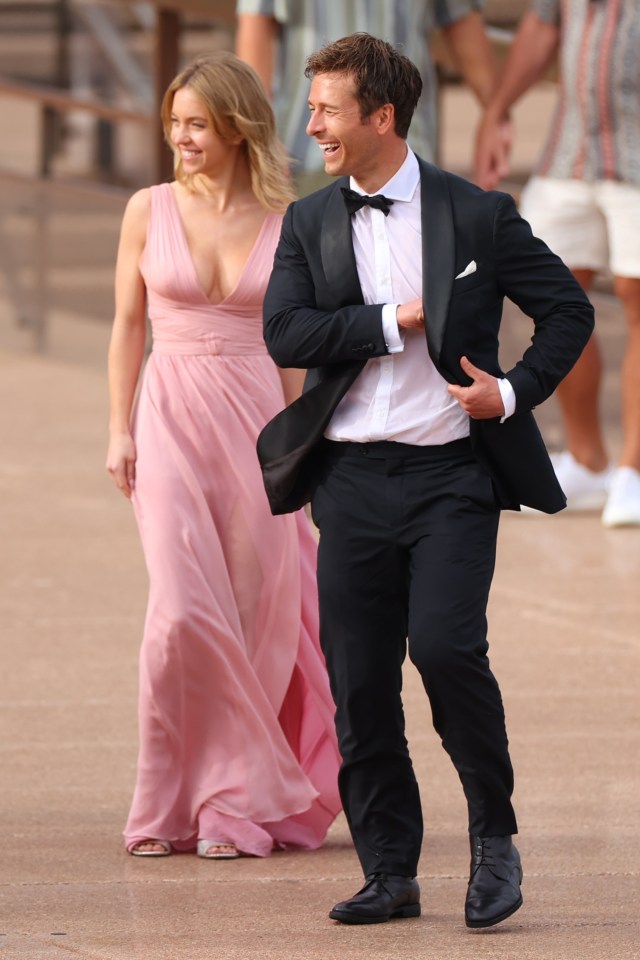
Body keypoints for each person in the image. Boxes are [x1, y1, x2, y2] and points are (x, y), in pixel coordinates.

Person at [256, 33, 594, 927]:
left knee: (446, 652)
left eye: (327, 109)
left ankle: (495, 841)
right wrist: (387, 320)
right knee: (360, 682)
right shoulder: (309, 220)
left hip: (452, 478)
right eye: (312, 106)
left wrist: (513, 393)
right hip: (351, 481)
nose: (311, 124)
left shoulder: (477, 214)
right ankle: (390, 869)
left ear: (382, 115)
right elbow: (287, 334)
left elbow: (567, 307)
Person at [105, 52, 341, 860]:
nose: (182, 137)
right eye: (175, 123)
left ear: (237, 128)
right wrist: (119, 427)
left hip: (255, 422)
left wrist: (302, 448)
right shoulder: (147, 207)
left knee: (255, 615)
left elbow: (293, 352)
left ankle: (229, 805)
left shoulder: (289, 219)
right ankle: (170, 796)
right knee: (180, 613)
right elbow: (126, 327)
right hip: (167, 414)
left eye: (197, 123)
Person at [475, 0, 640, 527]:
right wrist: (497, 109)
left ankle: (633, 470)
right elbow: (543, 25)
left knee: (638, 303)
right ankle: (589, 460)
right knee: (551, 295)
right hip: (570, 151)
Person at [235, 0, 509, 193]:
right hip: (307, 155)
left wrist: (496, 117)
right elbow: (256, 25)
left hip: (407, 146)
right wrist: (262, 137)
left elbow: (460, 20)